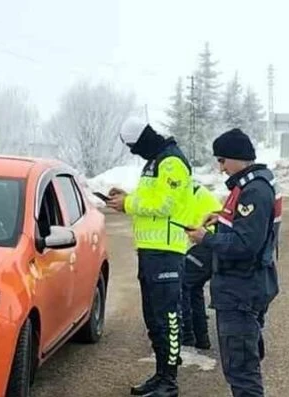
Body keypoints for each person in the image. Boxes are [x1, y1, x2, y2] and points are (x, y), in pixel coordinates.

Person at [185, 128, 279, 397]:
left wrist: (205, 239)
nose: (221, 167)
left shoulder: (254, 191)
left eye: (223, 160)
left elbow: (245, 245)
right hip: (245, 287)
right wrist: (222, 218)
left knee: (241, 370)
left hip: (241, 291)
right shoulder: (252, 184)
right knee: (244, 362)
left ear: (238, 158)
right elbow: (247, 227)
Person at [106, 117, 194, 397]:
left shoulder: (171, 162)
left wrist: (129, 203)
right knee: (153, 318)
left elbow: (165, 204)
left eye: (134, 146)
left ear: (144, 139)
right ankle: (160, 375)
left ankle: (169, 381)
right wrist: (127, 197)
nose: (133, 152)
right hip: (151, 251)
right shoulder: (155, 161)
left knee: (167, 317)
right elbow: (151, 198)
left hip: (167, 252)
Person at [181, 182, 222, 350]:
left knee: (183, 286)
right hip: (210, 246)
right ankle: (201, 338)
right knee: (193, 289)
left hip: (204, 246)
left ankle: (188, 336)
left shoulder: (181, 190)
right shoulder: (195, 189)